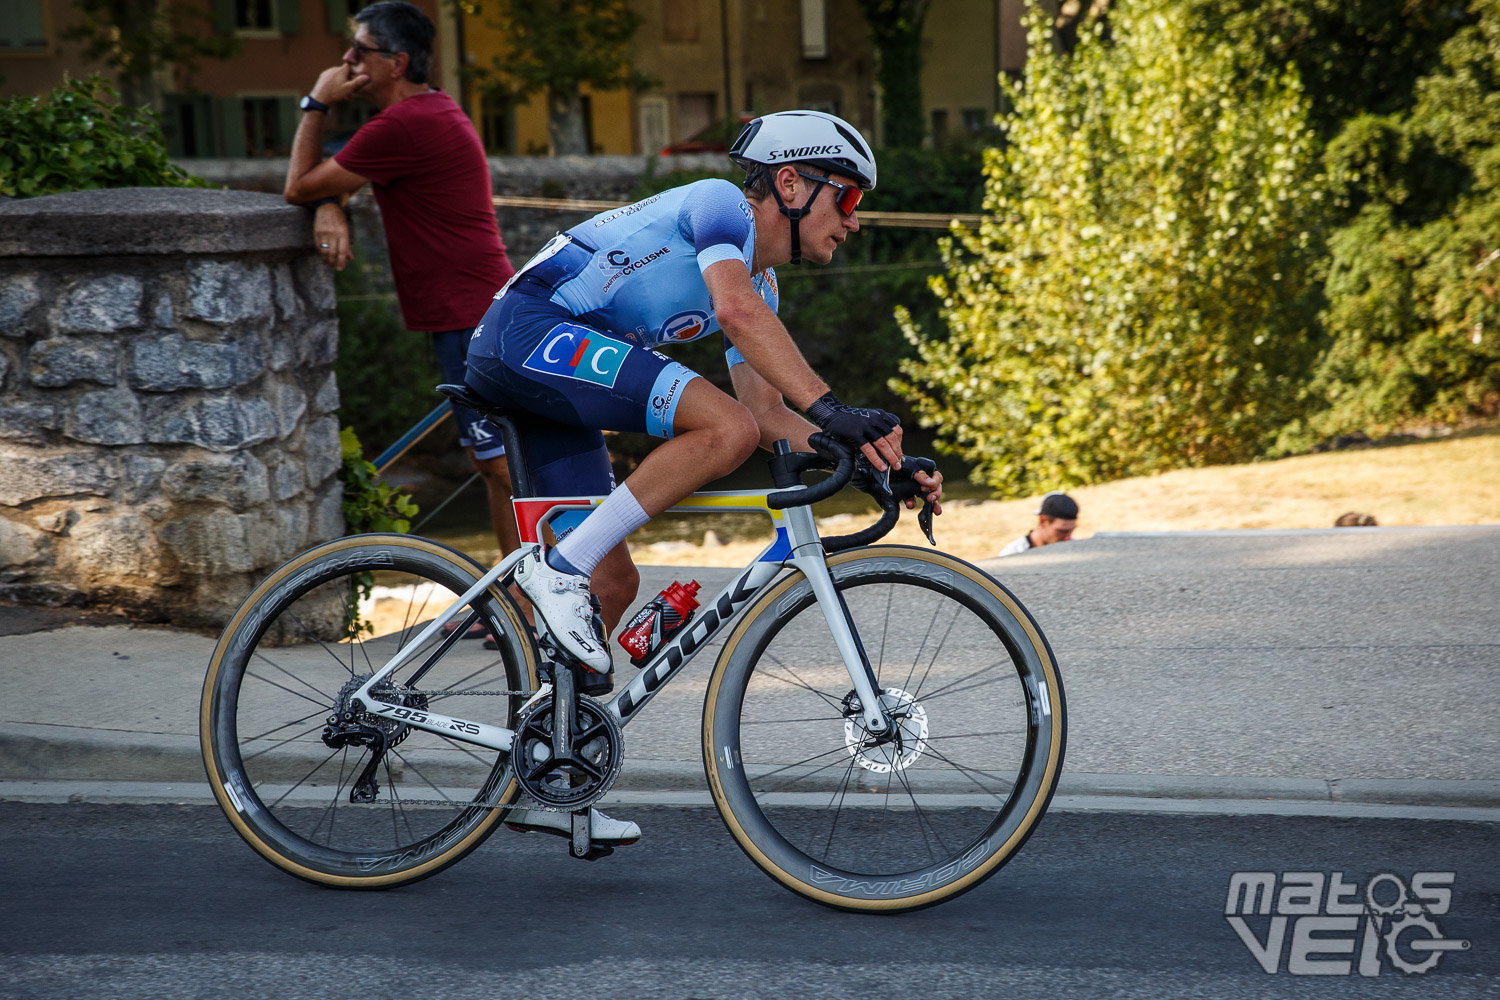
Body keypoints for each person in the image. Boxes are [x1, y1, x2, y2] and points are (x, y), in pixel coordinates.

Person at [465, 109, 945, 845]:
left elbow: (772, 416)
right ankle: (556, 570)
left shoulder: (763, 289)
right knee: (722, 429)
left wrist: (880, 463)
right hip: (527, 332)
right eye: (847, 197)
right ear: (791, 183)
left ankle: (550, 776)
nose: (854, 221)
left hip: (556, 375)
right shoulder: (721, 208)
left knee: (612, 583)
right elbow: (734, 314)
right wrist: (835, 409)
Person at [282, 1, 521, 603]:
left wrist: (316, 102)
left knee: (501, 464)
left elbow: (297, 184)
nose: (346, 61)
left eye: (359, 50)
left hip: (470, 314)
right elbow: (329, 181)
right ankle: (520, 595)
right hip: (475, 308)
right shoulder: (425, 113)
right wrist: (330, 203)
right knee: (496, 463)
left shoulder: (406, 124)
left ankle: (534, 598)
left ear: (396, 62)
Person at [998, 491, 1079, 556]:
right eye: (1061, 531)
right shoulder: (1012, 553)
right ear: (1043, 520)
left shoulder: (1075, 550)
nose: (1067, 538)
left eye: (1071, 530)